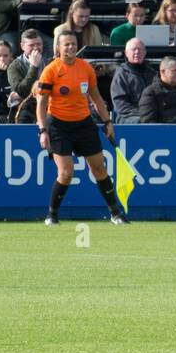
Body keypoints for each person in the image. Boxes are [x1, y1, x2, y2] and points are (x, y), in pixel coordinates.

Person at [34, 30, 128, 225]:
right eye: (66, 44)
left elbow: (96, 98)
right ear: (58, 48)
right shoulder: (51, 70)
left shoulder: (86, 68)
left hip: (84, 123)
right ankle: (52, 215)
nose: (70, 47)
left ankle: (115, 213)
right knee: (66, 173)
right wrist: (43, 131)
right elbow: (41, 105)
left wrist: (108, 122)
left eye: (73, 44)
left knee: (99, 169)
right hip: (58, 125)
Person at [110, 39, 154, 124]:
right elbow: (121, 104)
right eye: (134, 49)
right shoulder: (121, 74)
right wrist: (143, 114)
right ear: (126, 53)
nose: (137, 52)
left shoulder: (152, 74)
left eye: (140, 49)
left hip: (150, 113)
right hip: (128, 116)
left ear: (145, 52)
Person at [6, 29, 47, 105]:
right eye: (31, 45)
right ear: (22, 46)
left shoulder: (48, 62)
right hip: (25, 109)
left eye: (39, 44)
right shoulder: (14, 66)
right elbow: (21, 91)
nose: (36, 48)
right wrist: (33, 67)